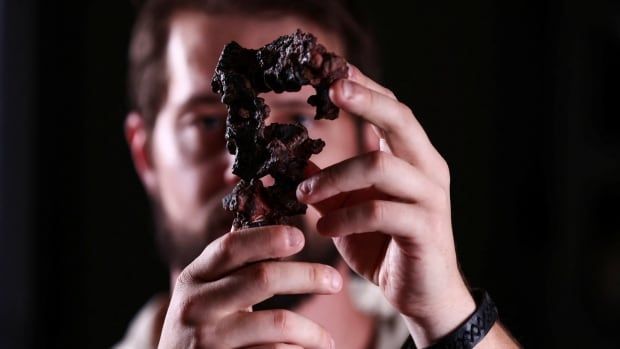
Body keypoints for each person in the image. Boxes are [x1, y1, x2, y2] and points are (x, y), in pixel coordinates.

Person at [118, 0, 521, 348]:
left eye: (300, 118)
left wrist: (450, 320)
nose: (246, 170)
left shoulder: (442, 329)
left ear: (369, 141)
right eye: (206, 123)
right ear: (145, 153)